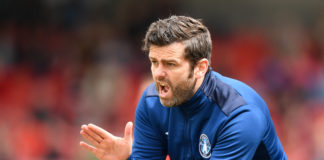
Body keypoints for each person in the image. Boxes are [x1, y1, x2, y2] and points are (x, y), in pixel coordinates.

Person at [80, 15, 287, 160]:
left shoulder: (239, 113)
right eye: (154, 62)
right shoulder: (152, 102)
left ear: (200, 68)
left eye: (170, 64)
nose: (158, 73)